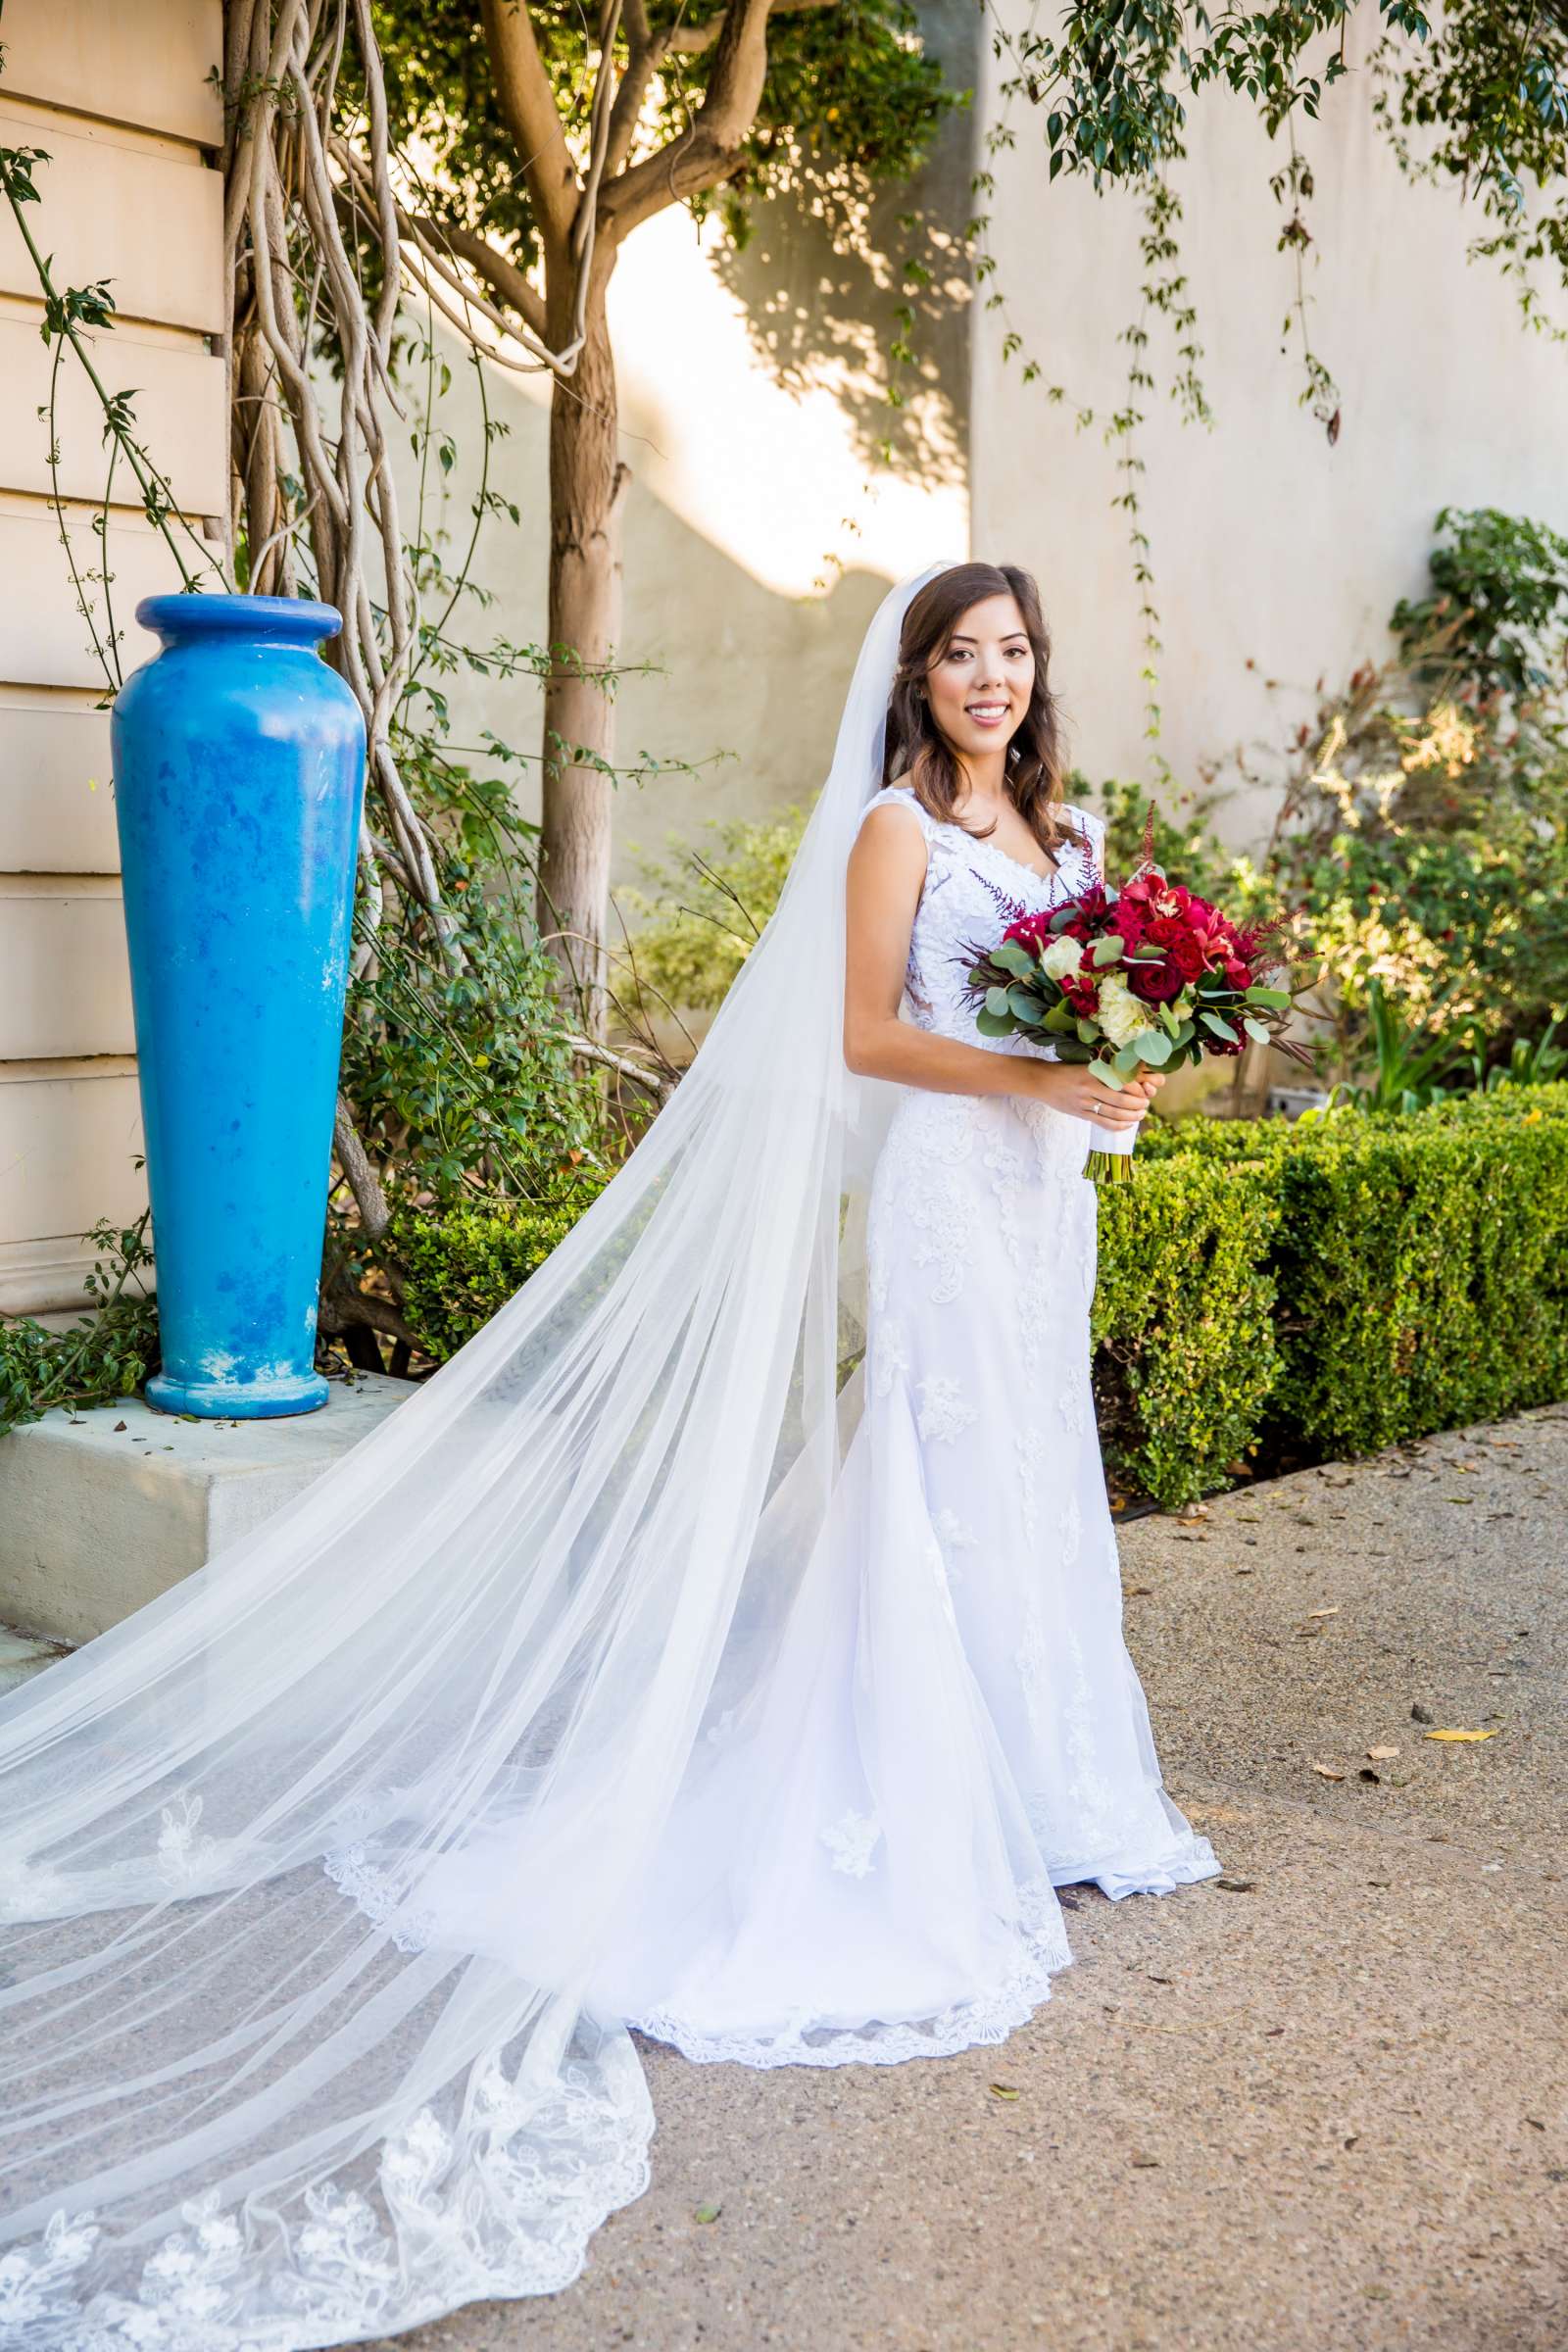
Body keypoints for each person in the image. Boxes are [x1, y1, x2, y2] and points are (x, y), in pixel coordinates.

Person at [0, 562, 1216, 2351]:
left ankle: (1054, 1785)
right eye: (961, 653)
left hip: (1046, 1205)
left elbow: (1091, 1026)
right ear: (917, 675)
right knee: (938, 1470)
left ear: (1041, 675)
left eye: (1013, 652)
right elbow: (873, 1034)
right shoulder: (895, 833)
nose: (990, 678)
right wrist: (1039, 1086)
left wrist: (1122, 1069)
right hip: (957, 1198)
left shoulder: (1070, 832)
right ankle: (925, 1799)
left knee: (1037, 1472)